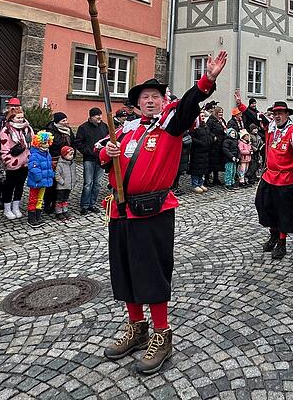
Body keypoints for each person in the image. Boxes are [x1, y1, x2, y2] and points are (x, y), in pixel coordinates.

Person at [99, 51, 226, 375]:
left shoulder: (170, 124)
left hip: (153, 211)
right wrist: (107, 152)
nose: (150, 101)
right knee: (126, 271)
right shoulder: (125, 129)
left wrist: (207, 79)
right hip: (120, 210)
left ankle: (162, 335)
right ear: (136, 104)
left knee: (152, 274)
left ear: (162, 100)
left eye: (155, 96)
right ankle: (136, 327)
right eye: (145, 97)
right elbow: (101, 156)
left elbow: (189, 105)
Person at [255, 101, 293, 260]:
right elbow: (254, 116)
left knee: (284, 212)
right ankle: (273, 234)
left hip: (285, 179)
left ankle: (282, 242)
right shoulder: (272, 128)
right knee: (263, 205)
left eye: (280, 113)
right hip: (269, 176)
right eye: (275, 114)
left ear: (287, 114)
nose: (277, 116)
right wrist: (240, 105)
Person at [0, 109, 34, 220]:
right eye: (18, 117)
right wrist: (9, 161)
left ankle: (16, 206)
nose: (21, 119)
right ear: (11, 118)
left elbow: (32, 143)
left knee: (20, 186)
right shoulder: (6, 130)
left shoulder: (27, 128)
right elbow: (4, 148)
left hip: (25, 162)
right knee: (9, 186)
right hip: (13, 163)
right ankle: (7, 208)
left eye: (22, 117)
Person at [76, 107, 109, 215]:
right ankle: (84, 205)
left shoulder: (104, 126)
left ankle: (92, 204)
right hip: (89, 159)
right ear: (91, 117)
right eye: (97, 115)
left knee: (98, 183)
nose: (100, 117)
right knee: (88, 183)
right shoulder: (83, 128)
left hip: (101, 159)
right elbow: (79, 143)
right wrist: (89, 152)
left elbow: (108, 139)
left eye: (100, 115)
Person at [44, 112, 75, 214]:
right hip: (54, 159)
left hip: (65, 160)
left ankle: (57, 203)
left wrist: (71, 154)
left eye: (66, 120)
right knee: (52, 184)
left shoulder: (68, 130)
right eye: (63, 120)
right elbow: (52, 144)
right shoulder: (50, 131)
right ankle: (48, 203)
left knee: (62, 185)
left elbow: (73, 142)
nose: (66, 122)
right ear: (57, 121)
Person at [26, 131, 55, 228]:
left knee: (40, 199)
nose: (46, 145)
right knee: (33, 199)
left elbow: (49, 167)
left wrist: (50, 175)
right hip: (36, 181)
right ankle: (31, 218)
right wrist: (39, 177)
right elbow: (33, 167)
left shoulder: (47, 154)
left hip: (44, 181)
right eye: (44, 143)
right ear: (38, 143)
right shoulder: (34, 155)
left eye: (47, 142)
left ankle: (38, 215)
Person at [189, 120, 213, 193]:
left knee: (203, 168)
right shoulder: (194, 127)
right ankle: (195, 184)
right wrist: (200, 143)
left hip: (205, 150)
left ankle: (200, 183)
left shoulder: (206, 127)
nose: (202, 118)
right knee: (196, 168)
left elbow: (209, 135)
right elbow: (191, 137)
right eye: (201, 116)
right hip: (197, 151)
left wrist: (210, 141)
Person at [54, 146, 76, 221]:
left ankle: (65, 210)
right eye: (70, 154)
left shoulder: (72, 163)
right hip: (62, 186)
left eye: (72, 154)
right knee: (60, 199)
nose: (72, 156)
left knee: (65, 199)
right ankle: (58, 212)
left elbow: (73, 173)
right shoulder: (60, 164)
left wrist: (74, 181)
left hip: (69, 185)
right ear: (64, 155)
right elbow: (57, 175)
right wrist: (62, 182)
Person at [206, 106, 227, 185]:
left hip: (220, 144)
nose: (221, 114)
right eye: (219, 112)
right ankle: (207, 179)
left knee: (218, 163)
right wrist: (213, 136)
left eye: (222, 112)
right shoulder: (211, 120)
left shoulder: (222, 121)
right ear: (216, 113)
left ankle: (216, 178)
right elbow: (207, 130)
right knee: (211, 163)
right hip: (213, 145)